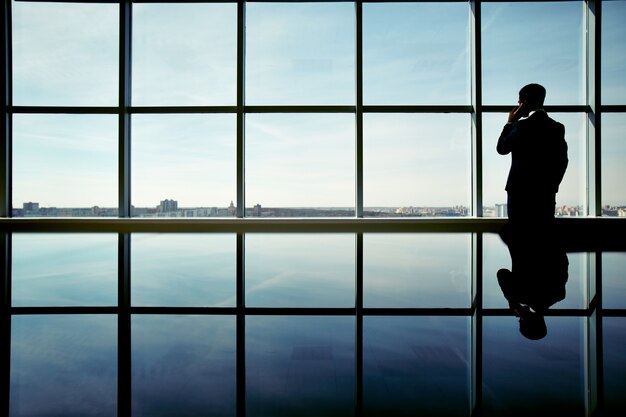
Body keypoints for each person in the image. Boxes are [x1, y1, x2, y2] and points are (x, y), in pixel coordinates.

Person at [497, 83, 569, 223]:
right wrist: (551, 186)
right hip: (545, 195)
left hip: (519, 194)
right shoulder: (557, 128)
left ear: (524, 102)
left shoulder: (520, 127)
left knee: (519, 239)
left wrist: (510, 123)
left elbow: (501, 148)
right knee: (541, 239)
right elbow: (563, 161)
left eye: (519, 102)